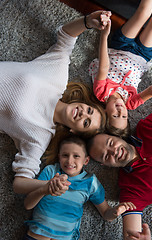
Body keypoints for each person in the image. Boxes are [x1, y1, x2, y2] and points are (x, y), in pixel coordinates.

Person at [0, 10, 110, 195]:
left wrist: (46, 186)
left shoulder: (40, 136)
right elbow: (66, 36)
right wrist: (87, 22)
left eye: (86, 123)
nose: (83, 114)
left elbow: (20, 182)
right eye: (89, 111)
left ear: (74, 131)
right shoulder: (57, 78)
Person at [23, 135, 136, 240]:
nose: (69, 161)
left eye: (76, 156)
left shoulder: (91, 182)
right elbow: (28, 205)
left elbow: (106, 213)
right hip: (37, 235)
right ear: (59, 157)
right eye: (65, 155)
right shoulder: (51, 171)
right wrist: (45, 189)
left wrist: (115, 211)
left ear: (86, 160)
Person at [89, 0, 152, 138]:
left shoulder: (101, 93)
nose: (120, 110)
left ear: (105, 112)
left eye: (115, 115)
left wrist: (104, 35)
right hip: (142, 56)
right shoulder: (131, 103)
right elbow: (151, 92)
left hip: (119, 46)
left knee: (143, 13)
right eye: (123, 116)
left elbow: (104, 66)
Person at [87, 107, 152, 239]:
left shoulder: (147, 127)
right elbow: (131, 234)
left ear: (116, 136)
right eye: (106, 156)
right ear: (105, 165)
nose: (113, 151)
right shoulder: (130, 189)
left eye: (110, 143)